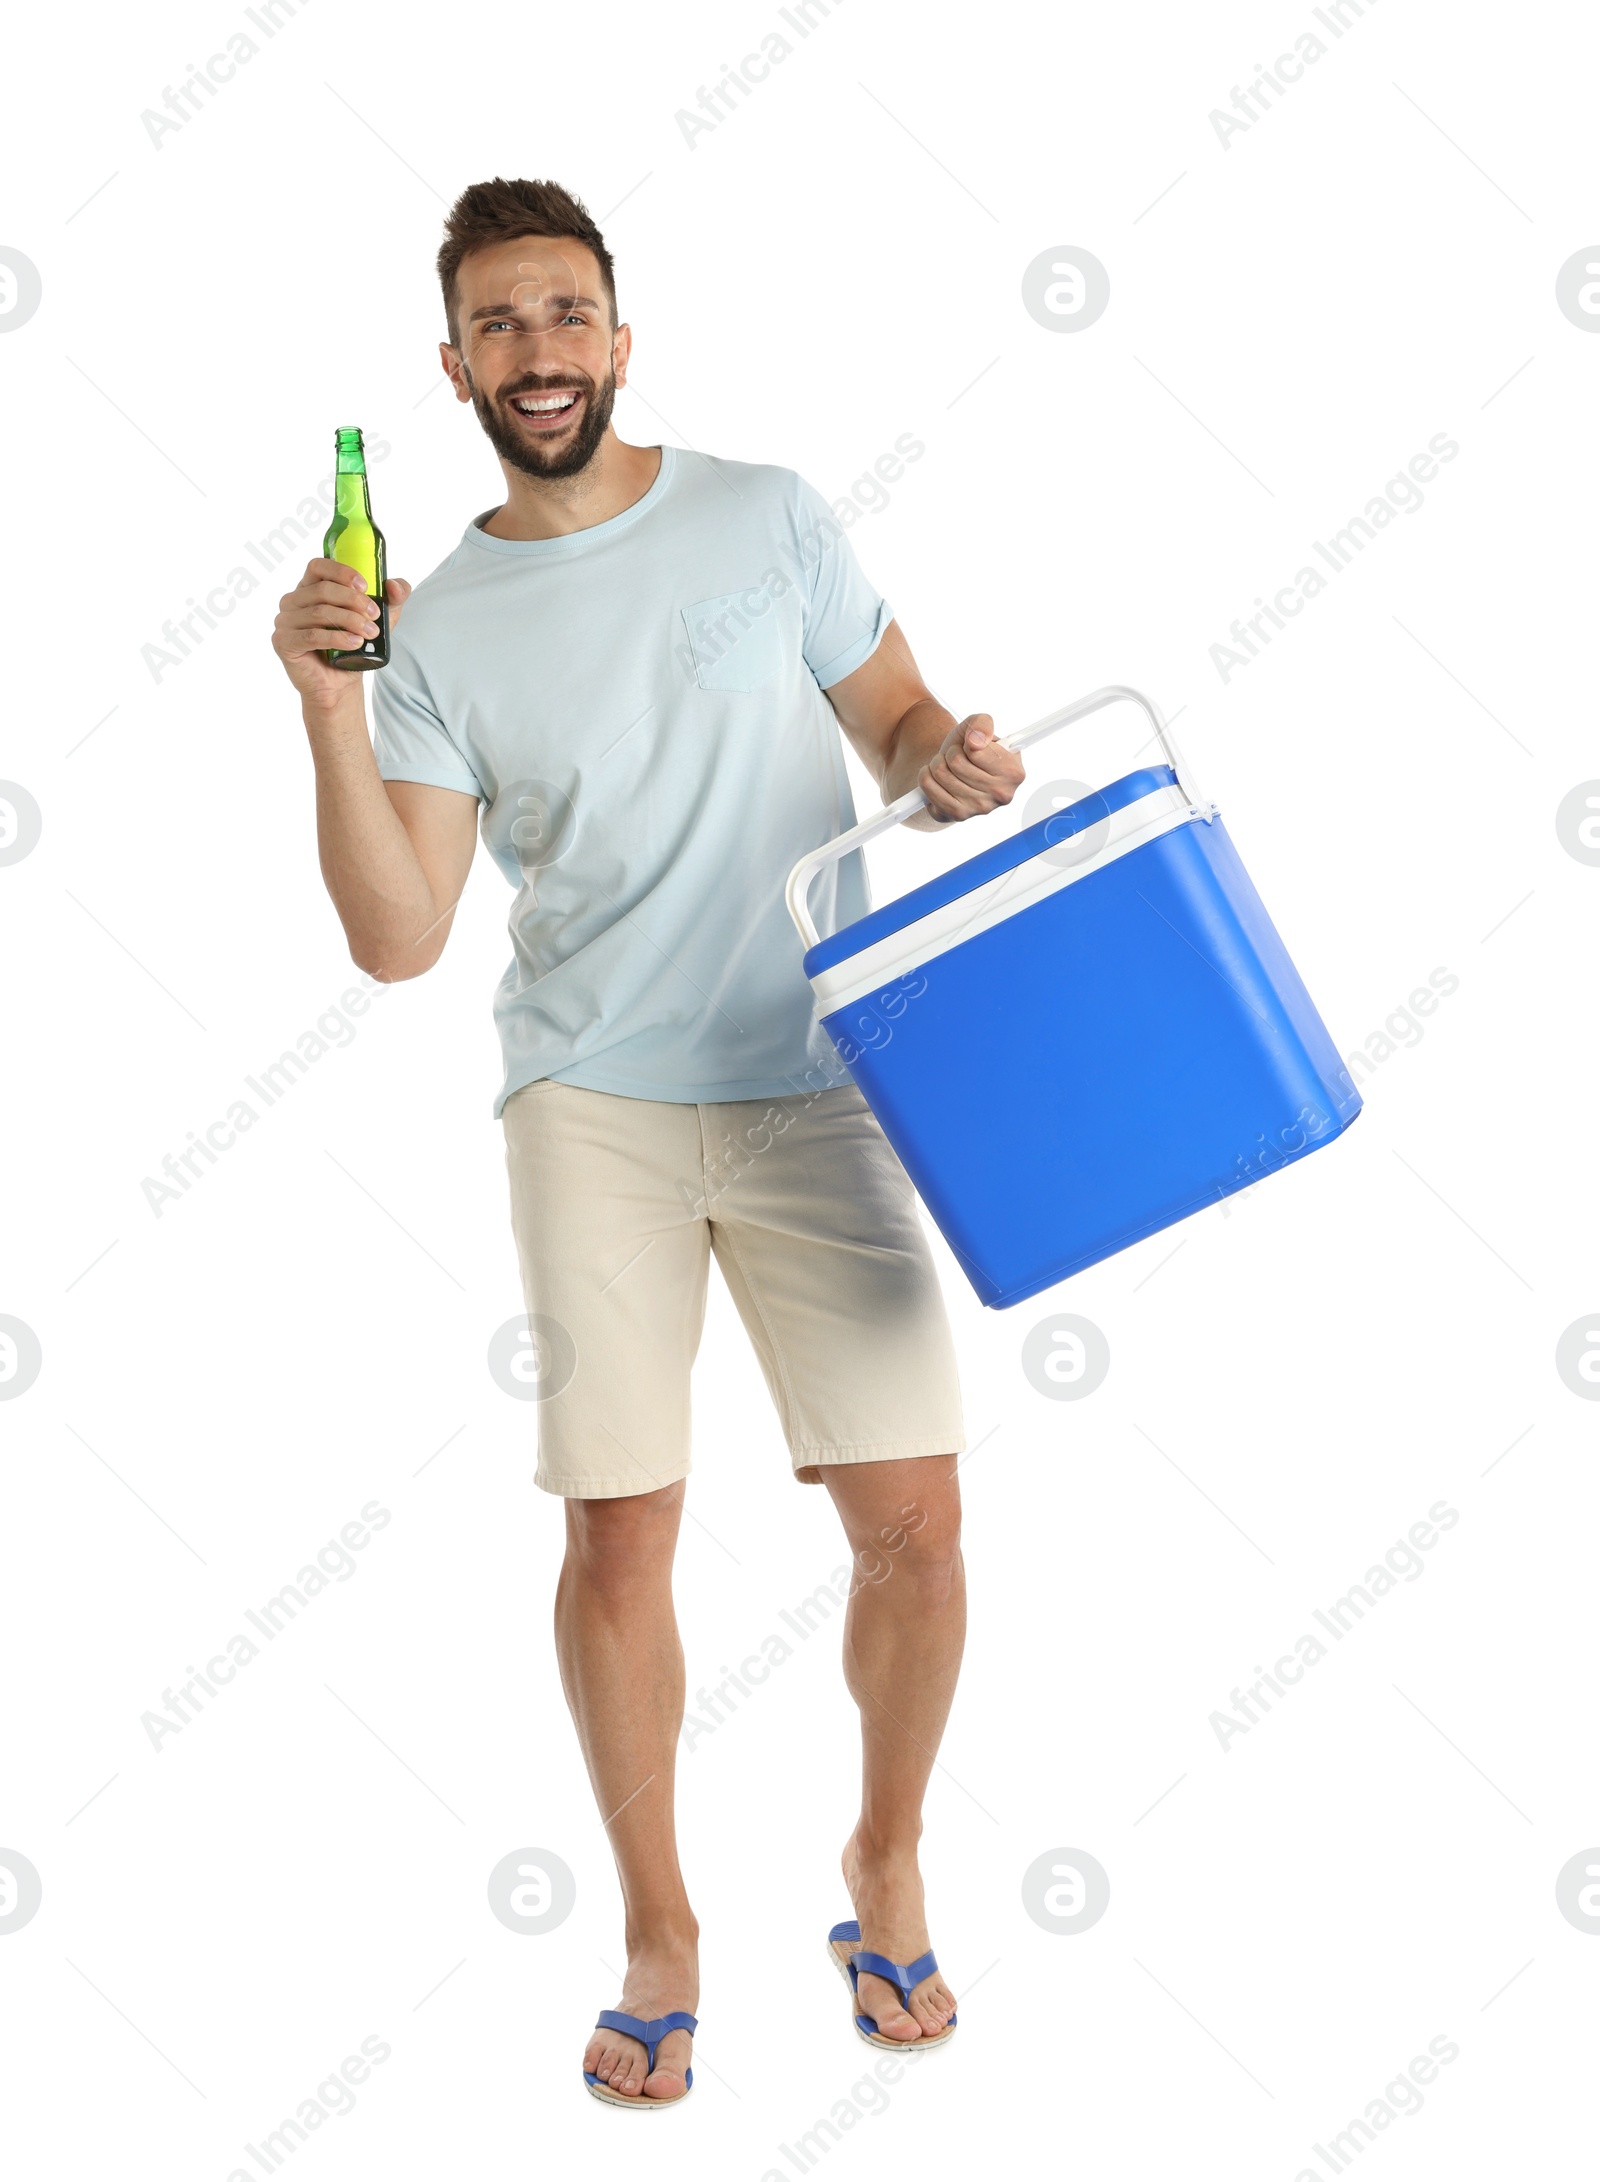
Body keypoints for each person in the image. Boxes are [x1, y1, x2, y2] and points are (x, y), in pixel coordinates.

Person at [271, 175, 1024, 2107]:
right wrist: (330, 715)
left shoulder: (767, 515)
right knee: (623, 1528)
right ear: (455, 369)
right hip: (589, 1095)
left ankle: (883, 1855)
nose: (541, 352)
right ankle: (661, 1926)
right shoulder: (432, 626)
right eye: (502, 327)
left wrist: (945, 764)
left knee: (918, 1529)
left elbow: (903, 724)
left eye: (569, 313)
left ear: (623, 335)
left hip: (809, 1067)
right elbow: (399, 935)